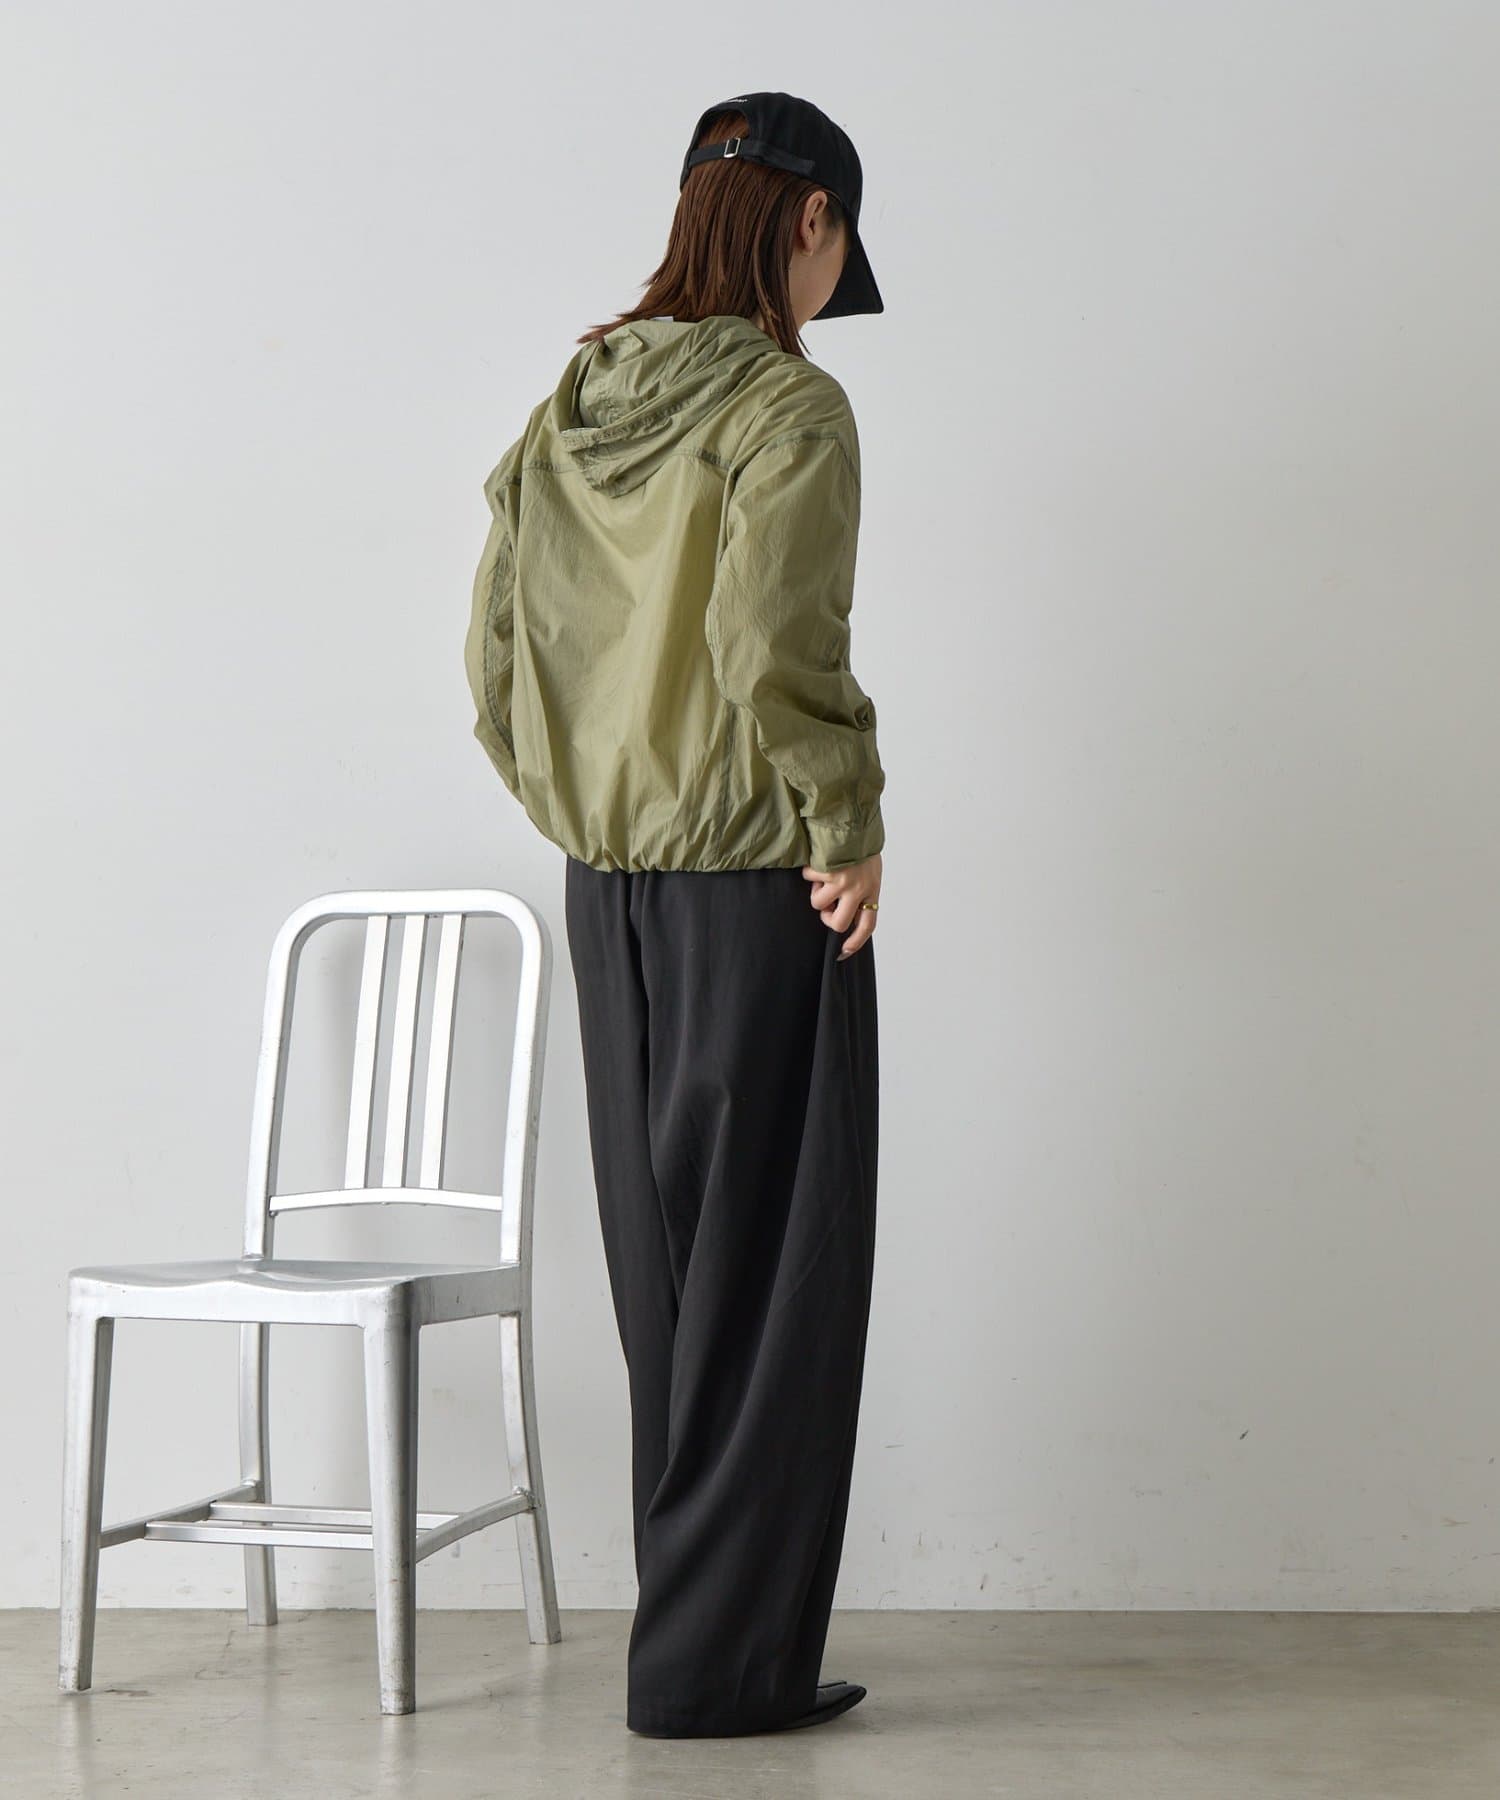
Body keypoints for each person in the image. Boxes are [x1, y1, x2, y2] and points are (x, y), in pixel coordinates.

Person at [463, 90, 887, 1738]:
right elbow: (779, 642)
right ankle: (724, 1669)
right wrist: (845, 824)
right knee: (772, 1283)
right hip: (757, 885)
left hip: (610, 893)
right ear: (809, 220)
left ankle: (701, 1653)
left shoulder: (573, 404)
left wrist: (585, 809)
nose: (831, 283)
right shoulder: (789, 405)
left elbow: (495, 655)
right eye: (838, 249)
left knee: (667, 1278)